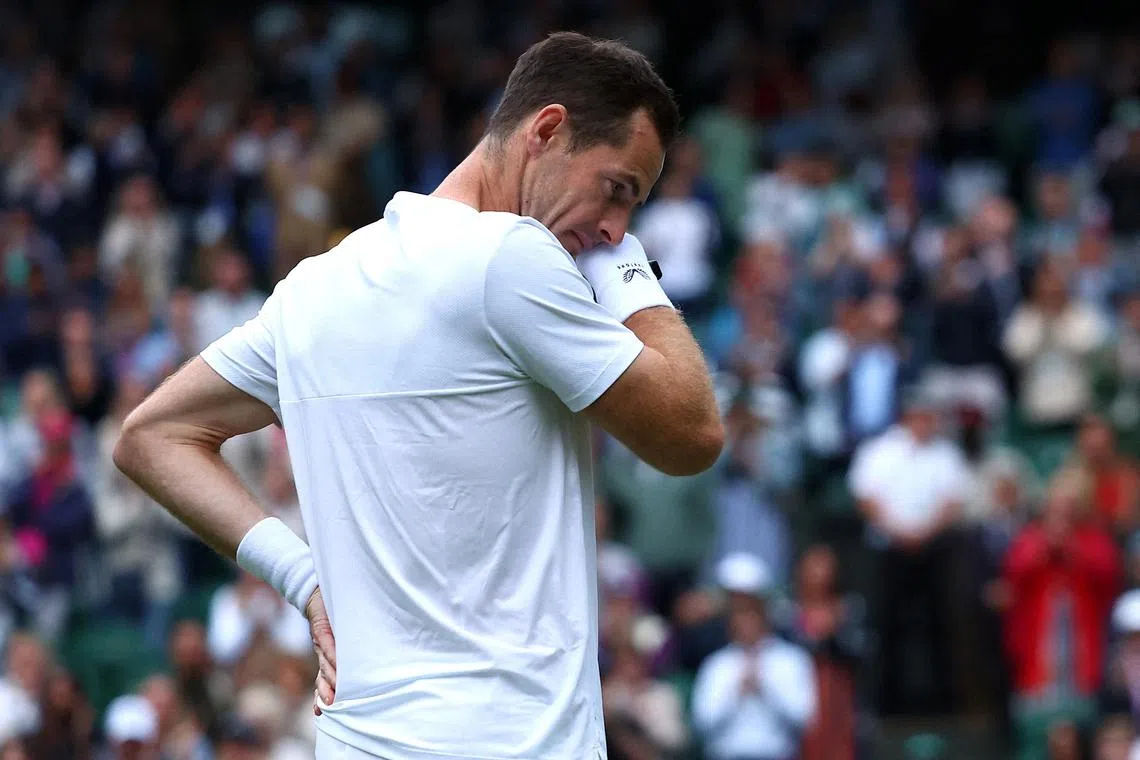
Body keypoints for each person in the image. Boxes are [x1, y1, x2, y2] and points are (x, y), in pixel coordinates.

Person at [114, 31, 723, 760]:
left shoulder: (314, 287)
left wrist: (304, 580)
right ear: (547, 130)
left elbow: (151, 437)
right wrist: (631, 270)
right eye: (617, 190)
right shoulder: (512, 256)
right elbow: (692, 434)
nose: (613, 226)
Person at [690, 552, 817, 760]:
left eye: (751, 611)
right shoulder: (717, 663)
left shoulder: (792, 660)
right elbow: (702, 723)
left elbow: (804, 719)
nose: (745, 621)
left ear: (765, 613)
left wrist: (766, 686)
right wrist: (736, 692)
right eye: (738, 612)